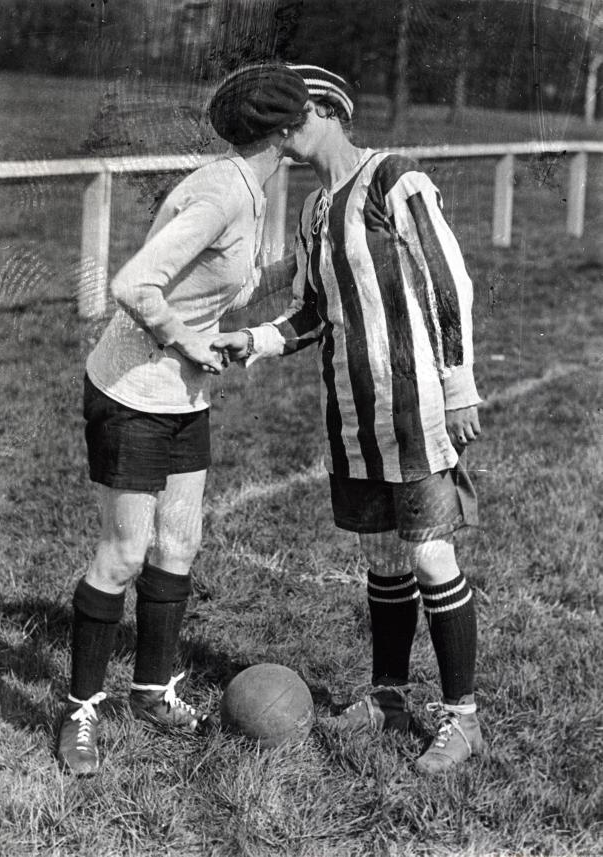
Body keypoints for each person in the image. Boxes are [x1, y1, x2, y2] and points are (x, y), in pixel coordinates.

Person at [214, 64, 484, 774]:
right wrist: (258, 340)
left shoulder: (393, 178)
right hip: (351, 415)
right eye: (278, 128)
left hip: (416, 406)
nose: (286, 138)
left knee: (429, 554)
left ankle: (462, 719)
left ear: (331, 112)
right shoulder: (312, 211)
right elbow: (310, 309)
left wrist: (458, 384)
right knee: (384, 561)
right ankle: (387, 695)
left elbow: (447, 279)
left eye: (294, 121)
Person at [57, 64, 311, 775]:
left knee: (180, 543)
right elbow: (134, 282)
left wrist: (307, 263)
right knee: (123, 552)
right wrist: (182, 338)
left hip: (181, 397)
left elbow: (226, 282)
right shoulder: (220, 192)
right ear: (286, 131)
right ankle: (79, 709)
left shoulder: (247, 185)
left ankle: (150, 689)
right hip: (133, 391)